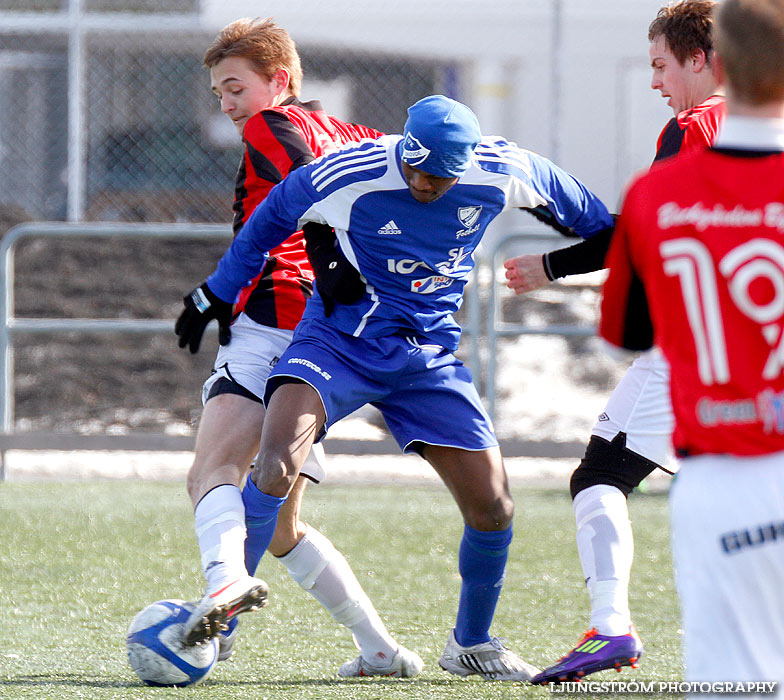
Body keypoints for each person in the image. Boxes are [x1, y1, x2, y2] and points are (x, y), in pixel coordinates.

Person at [175, 94, 615, 681]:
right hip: (337, 343)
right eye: (413, 167)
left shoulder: (510, 170)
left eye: (437, 176)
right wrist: (218, 290)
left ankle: (471, 644)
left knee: (493, 507)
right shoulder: (350, 171)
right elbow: (265, 225)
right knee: (276, 463)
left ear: (465, 165)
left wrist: (554, 266)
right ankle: (221, 619)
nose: (421, 182)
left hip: (428, 358)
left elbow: (608, 231)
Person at [174, 17, 424, 678]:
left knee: (210, 472)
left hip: (273, 316)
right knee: (282, 528)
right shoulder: (354, 131)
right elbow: (411, 177)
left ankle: (224, 585)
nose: (226, 104)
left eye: (235, 87)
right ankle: (380, 650)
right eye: (219, 91)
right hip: (329, 337)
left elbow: (307, 186)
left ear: (278, 79)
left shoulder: (272, 126)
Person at [504, 1, 726, 684]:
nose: (657, 81)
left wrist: (551, 265)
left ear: (700, 59)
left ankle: (612, 630)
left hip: (700, 341)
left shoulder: (694, 128)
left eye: (661, 64)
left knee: (604, 476)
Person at [599, 0, 784, 690]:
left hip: (724, 474)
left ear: (717, 63)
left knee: (733, 680)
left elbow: (628, 329)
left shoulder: (664, 188)